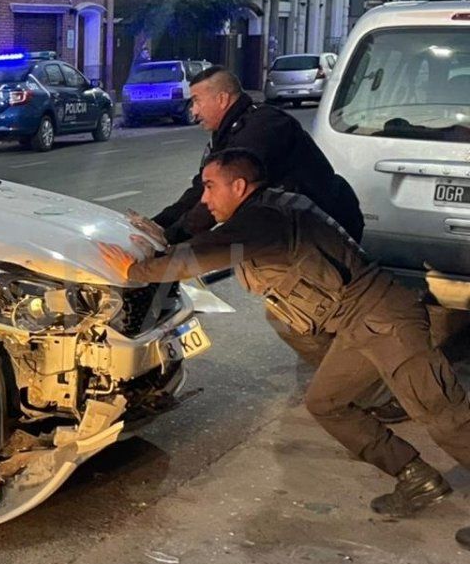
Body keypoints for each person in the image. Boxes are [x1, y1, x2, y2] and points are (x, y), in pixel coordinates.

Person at [98, 148, 470, 550]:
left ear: (238, 186)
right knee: (327, 403)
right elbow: (215, 247)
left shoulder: (262, 220)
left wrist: (134, 270)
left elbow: (197, 259)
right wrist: (161, 245)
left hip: (384, 319)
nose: (204, 198)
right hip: (358, 322)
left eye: (210, 187)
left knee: (444, 413)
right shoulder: (266, 212)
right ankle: (416, 477)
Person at [127, 66, 408, 423]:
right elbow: (202, 190)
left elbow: (216, 200)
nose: (193, 110)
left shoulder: (261, 129)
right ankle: (368, 387)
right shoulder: (230, 134)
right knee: (303, 318)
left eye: (197, 100)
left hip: (325, 233)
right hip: (296, 240)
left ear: (222, 98)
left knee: (321, 317)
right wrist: (161, 226)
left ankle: (387, 393)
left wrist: (168, 241)